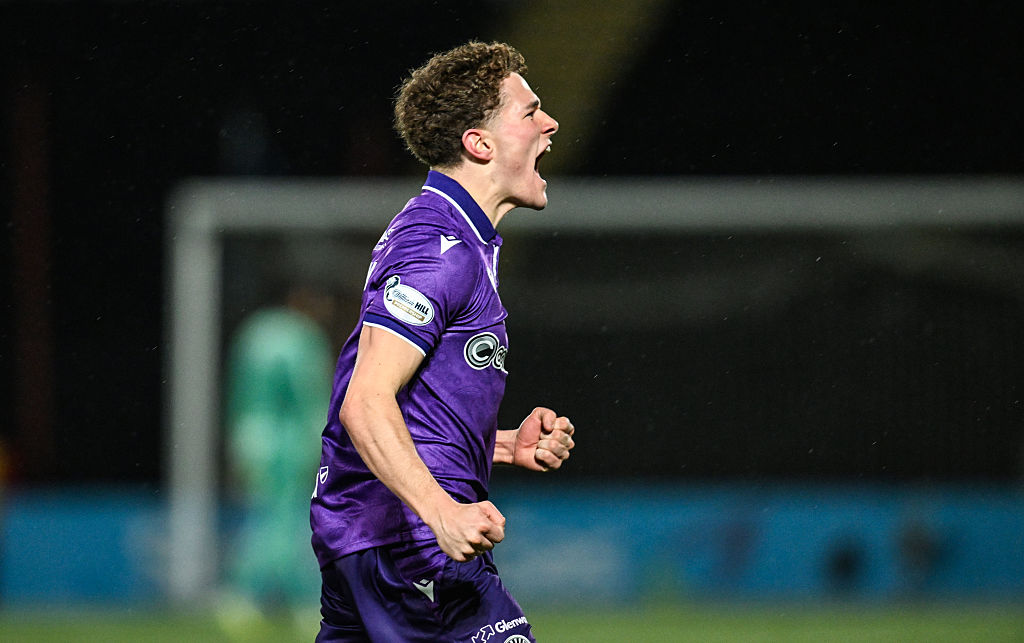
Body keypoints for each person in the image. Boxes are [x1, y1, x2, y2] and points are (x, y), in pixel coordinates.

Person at [310, 41, 575, 642]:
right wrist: (441, 514)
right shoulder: (438, 248)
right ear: (479, 144)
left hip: (375, 536)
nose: (549, 123)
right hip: (409, 542)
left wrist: (499, 445)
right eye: (530, 112)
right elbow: (365, 400)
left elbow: (410, 405)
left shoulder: (460, 239)